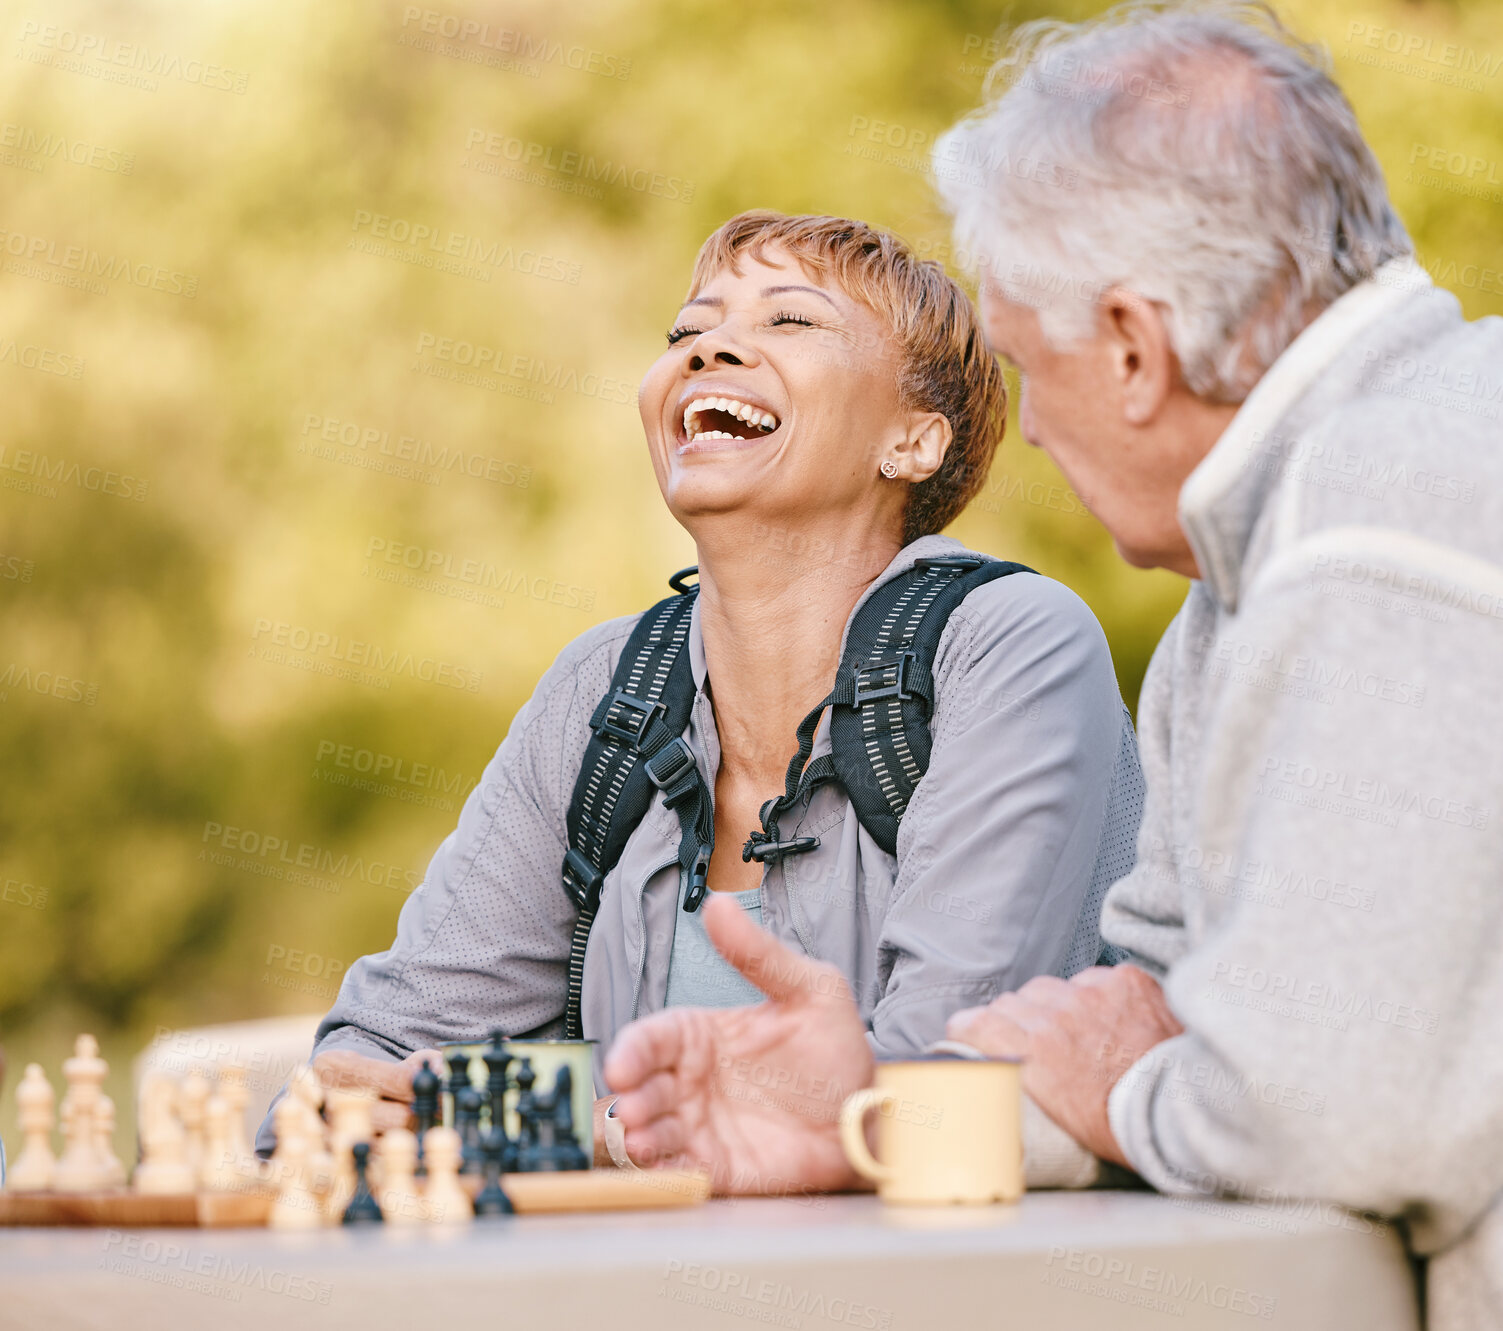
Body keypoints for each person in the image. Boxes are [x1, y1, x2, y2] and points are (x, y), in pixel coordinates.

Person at [603, 6, 1503, 1327]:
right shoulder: (1234, 586)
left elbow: (1329, 1108)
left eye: (1029, 365)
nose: (1023, 438)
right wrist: (865, 1114)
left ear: (1134, 349)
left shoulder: (1375, 520)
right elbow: (1133, 1009)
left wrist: (1137, 1080)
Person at [258, 211, 1143, 1154]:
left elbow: (935, 1088)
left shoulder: (1011, 648)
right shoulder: (603, 687)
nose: (710, 347)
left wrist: (531, 1118)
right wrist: (394, 1107)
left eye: (788, 322)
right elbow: (368, 1067)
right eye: (687, 332)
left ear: (913, 442)